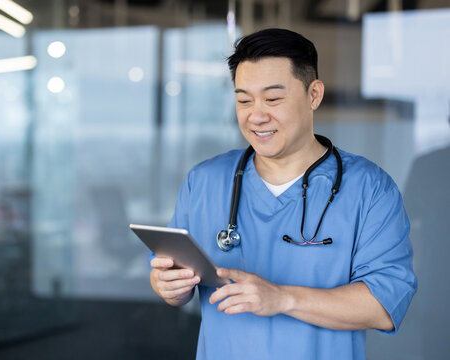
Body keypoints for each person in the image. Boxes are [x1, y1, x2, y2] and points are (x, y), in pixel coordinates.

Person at [150, 28, 417, 360]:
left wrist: (281, 298)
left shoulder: (369, 188)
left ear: (314, 95)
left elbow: (383, 305)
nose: (256, 115)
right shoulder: (204, 181)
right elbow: (173, 281)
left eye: (273, 99)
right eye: (244, 99)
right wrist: (169, 287)